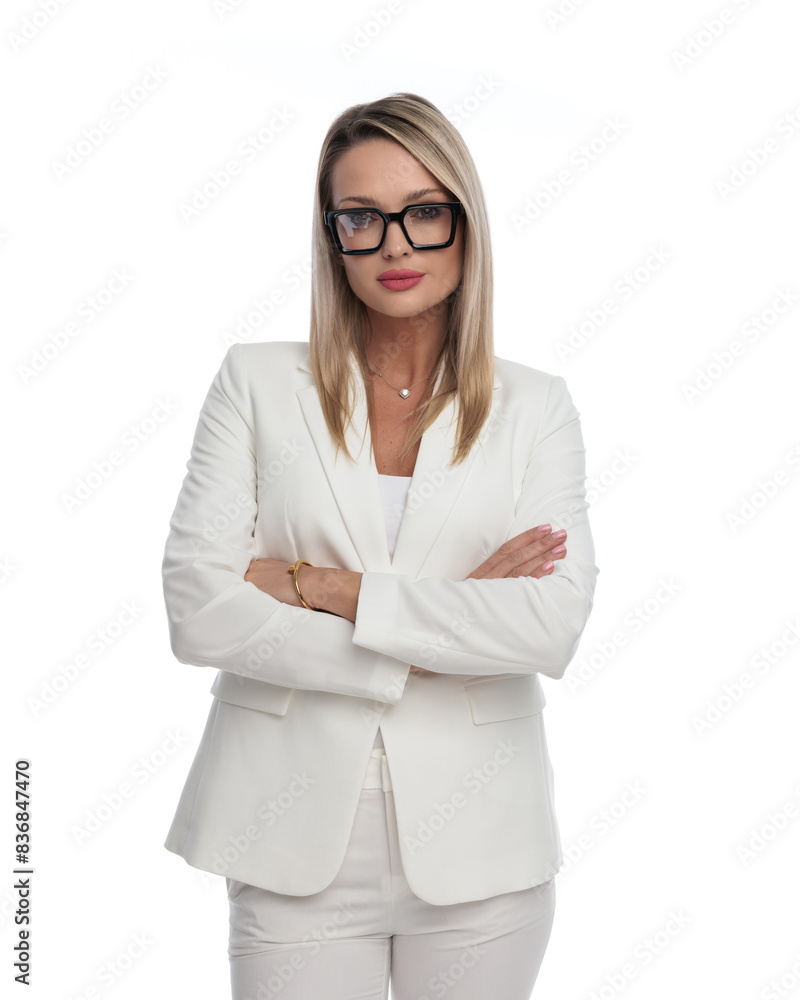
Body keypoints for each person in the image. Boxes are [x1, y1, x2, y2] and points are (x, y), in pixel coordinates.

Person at [161, 92, 598, 1000]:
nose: (396, 243)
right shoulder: (255, 383)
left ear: (465, 226)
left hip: (484, 850)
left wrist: (321, 584)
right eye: (362, 216)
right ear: (333, 237)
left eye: (424, 212)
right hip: (290, 849)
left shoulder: (535, 407)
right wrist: (450, 619)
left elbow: (547, 629)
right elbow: (200, 611)